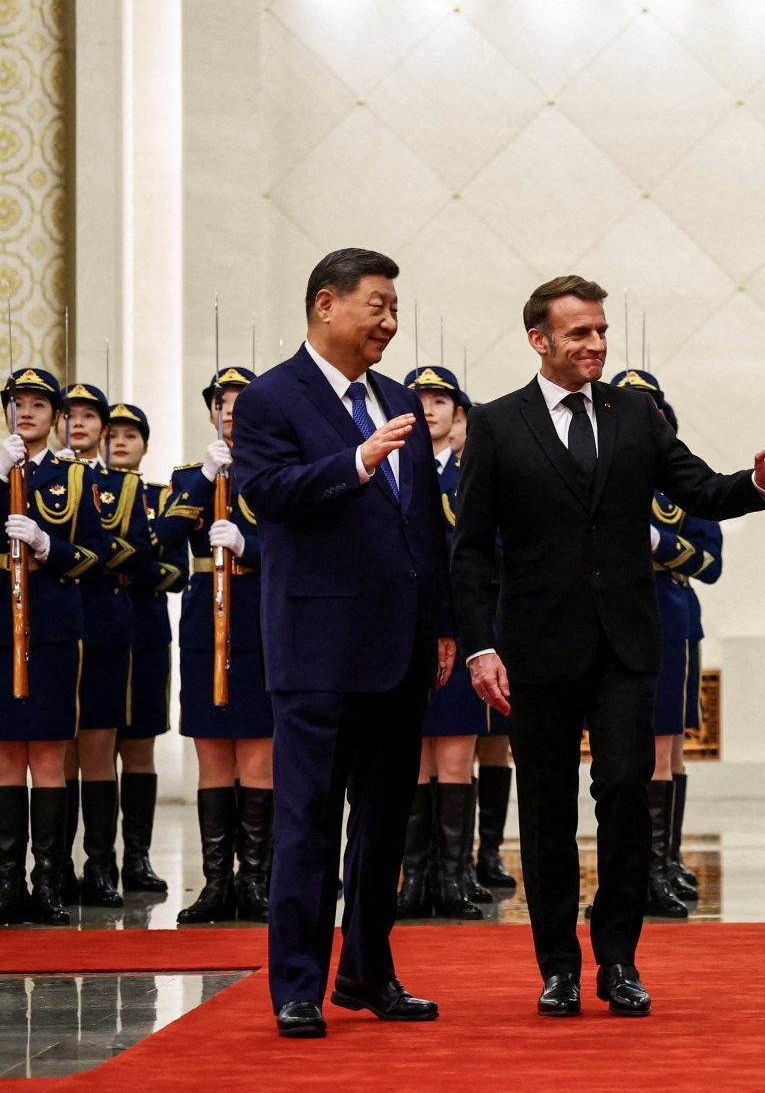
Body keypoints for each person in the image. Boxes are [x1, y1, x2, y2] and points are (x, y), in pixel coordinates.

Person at [451, 275, 765, 1019]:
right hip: (535, 649)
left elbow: (701, 489)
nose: (596, 345)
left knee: (623, 793)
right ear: (539, 340)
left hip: (624, 647)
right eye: (579, 333)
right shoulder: (496, 423)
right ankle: (556, 966)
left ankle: (617, 958)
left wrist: (760, 482)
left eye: (601, 331)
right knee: (546, 809)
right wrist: (481, 646)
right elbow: (473, 548)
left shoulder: (636, 414)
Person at [230, 248, 458, 1039]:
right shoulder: (269, 399)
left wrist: (442, 622)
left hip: (399, 648)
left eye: (395, 310)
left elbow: (423, 523)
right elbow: (267, 494)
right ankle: (297, 984)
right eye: (377, 307)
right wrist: (356, 460)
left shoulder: (396, 396)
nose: (389, 324)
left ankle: (368, 971)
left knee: (386, 821)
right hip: (318, 648)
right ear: (326, 304)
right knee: (309, 820)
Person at [155, 366, 274, 925]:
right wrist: (206, 476)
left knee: (256, 753)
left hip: (257, 620)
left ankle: (255, 881)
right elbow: (163, 537)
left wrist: (248, 547)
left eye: (241, 403)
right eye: (221, 403)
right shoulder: (188, 476)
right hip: (206, 625)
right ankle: (215, 882)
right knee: (211, 754)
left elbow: (298, 549)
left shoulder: (276, 471)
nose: (230, 411)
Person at [610, 369, 718, 921]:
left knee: (665, 749)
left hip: (669, 621)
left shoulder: (679, 482)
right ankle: (637, 868)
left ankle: (659, 863)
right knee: (623, 757)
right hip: (610, 621)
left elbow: (710, 563)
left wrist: (660, 543)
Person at [0, 369, 107, 926]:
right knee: (3, 756)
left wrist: (46, 546)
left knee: (45, 754)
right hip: (1, 624)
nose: (28, 412)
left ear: (55, 416)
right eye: (18, 403)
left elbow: (93, 554)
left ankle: (47, 879)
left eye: (39, 404)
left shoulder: (74, 477)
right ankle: (5, 881)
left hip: (53, 624)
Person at [392, 364, 487, 921]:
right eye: (419, 399)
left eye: (440, 400)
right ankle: (414, 876)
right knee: (410, 759)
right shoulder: (392, 470)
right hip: (403, 631)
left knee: (453, 759)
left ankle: (453, 874)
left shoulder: (470, 473)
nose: (429, 409)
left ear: (459, 415)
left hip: (458, 626)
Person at [61, 381, 156, 908]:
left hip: (102, 627)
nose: (79, 424)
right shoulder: (33, 479)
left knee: (97, 749)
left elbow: (143, 558)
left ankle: (101, 865)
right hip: (53, 628)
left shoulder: (118, 489)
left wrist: (80, 552)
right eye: (70, 416)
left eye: (88, 417)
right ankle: (58, 869)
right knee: (60, 754)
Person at [105, 402, 183, 897]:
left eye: (130, 435)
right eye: (112, 434)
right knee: (91, 749)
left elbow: (176, 572)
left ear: (145, 445)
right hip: (98, 631)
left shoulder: (162, 498)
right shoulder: (79, 493)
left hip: (148, 634)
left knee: (140, 747)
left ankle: (137, 856)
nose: (119, 442)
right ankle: (96, 859)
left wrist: (124, 563)